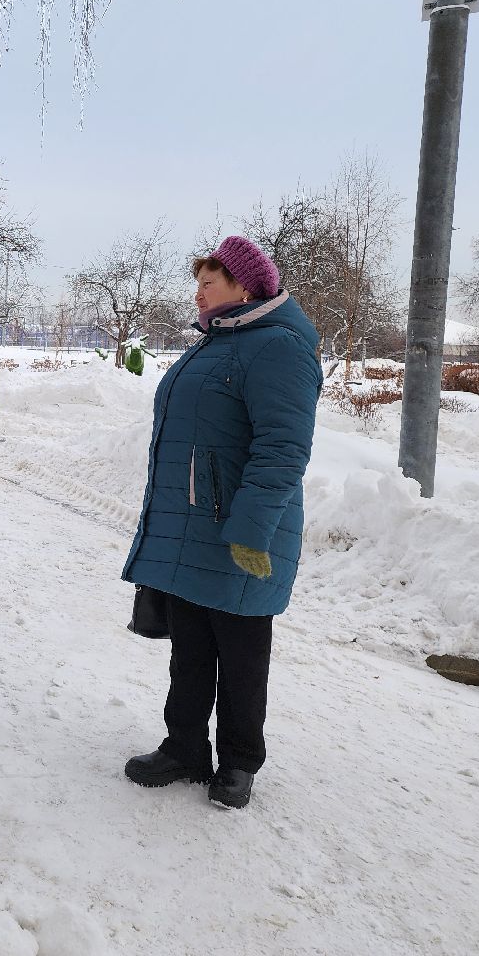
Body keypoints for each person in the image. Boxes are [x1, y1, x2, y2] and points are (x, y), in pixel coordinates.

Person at [121, 234, 321, 809]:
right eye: (198, 283)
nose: (198, 294)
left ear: (244, 286)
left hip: (240, 529)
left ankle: (237, 762)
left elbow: (282, 449)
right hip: (194, 524)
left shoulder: (278, 346)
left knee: (240, 654)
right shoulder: (217, 342)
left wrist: (251, 529)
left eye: (208, 283)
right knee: (190, 646)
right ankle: (184, 747)